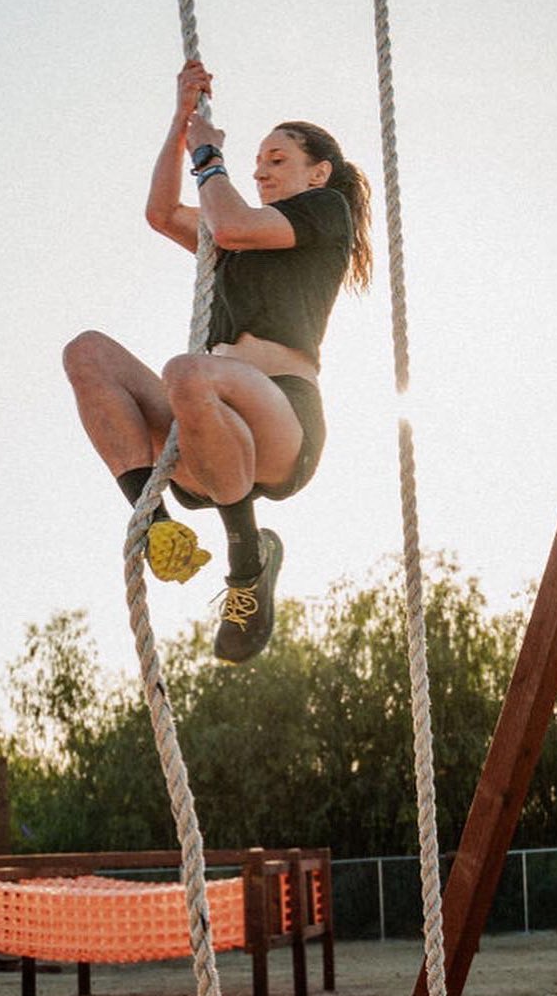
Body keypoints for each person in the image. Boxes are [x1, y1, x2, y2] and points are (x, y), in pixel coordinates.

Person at [63, 57, 372, 664]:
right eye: (256, 163)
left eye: (277, 160)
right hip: (208, 439)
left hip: (281, 422)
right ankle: (157, 526)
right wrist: (182, 122)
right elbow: (161, 214)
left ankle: (247, 563)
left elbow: (228, 224)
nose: (260, 171)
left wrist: (209, 153)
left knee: (188, 371)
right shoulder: (233, 239)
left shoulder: (324, 212)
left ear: (318, 172)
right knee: (88, 352)